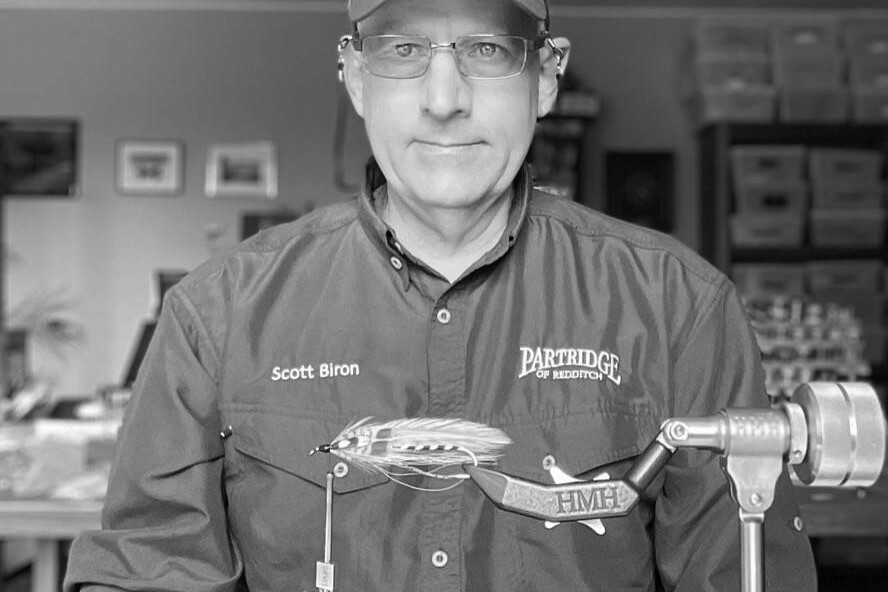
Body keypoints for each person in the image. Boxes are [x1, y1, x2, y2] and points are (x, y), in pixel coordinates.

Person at [64, 0, 817, 590]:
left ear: (547, 77)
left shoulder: (679, 307)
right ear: (354, 77)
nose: (444, 98)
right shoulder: (217, 315)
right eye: (402, 50)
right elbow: (148, 574)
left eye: (489, 50)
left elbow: (744, 575)